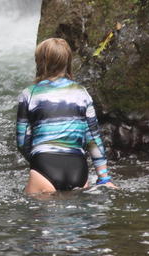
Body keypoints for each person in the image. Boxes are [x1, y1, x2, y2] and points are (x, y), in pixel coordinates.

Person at [15, 37, 116, 194]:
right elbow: (93, 139)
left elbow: (22, 142)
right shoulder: (82, 93)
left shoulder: (29, 94)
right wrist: (104, 178)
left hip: (44, 164)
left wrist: (38, 159)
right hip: (78, 169)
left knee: (35, 215)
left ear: (40, 62)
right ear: (67, 62)